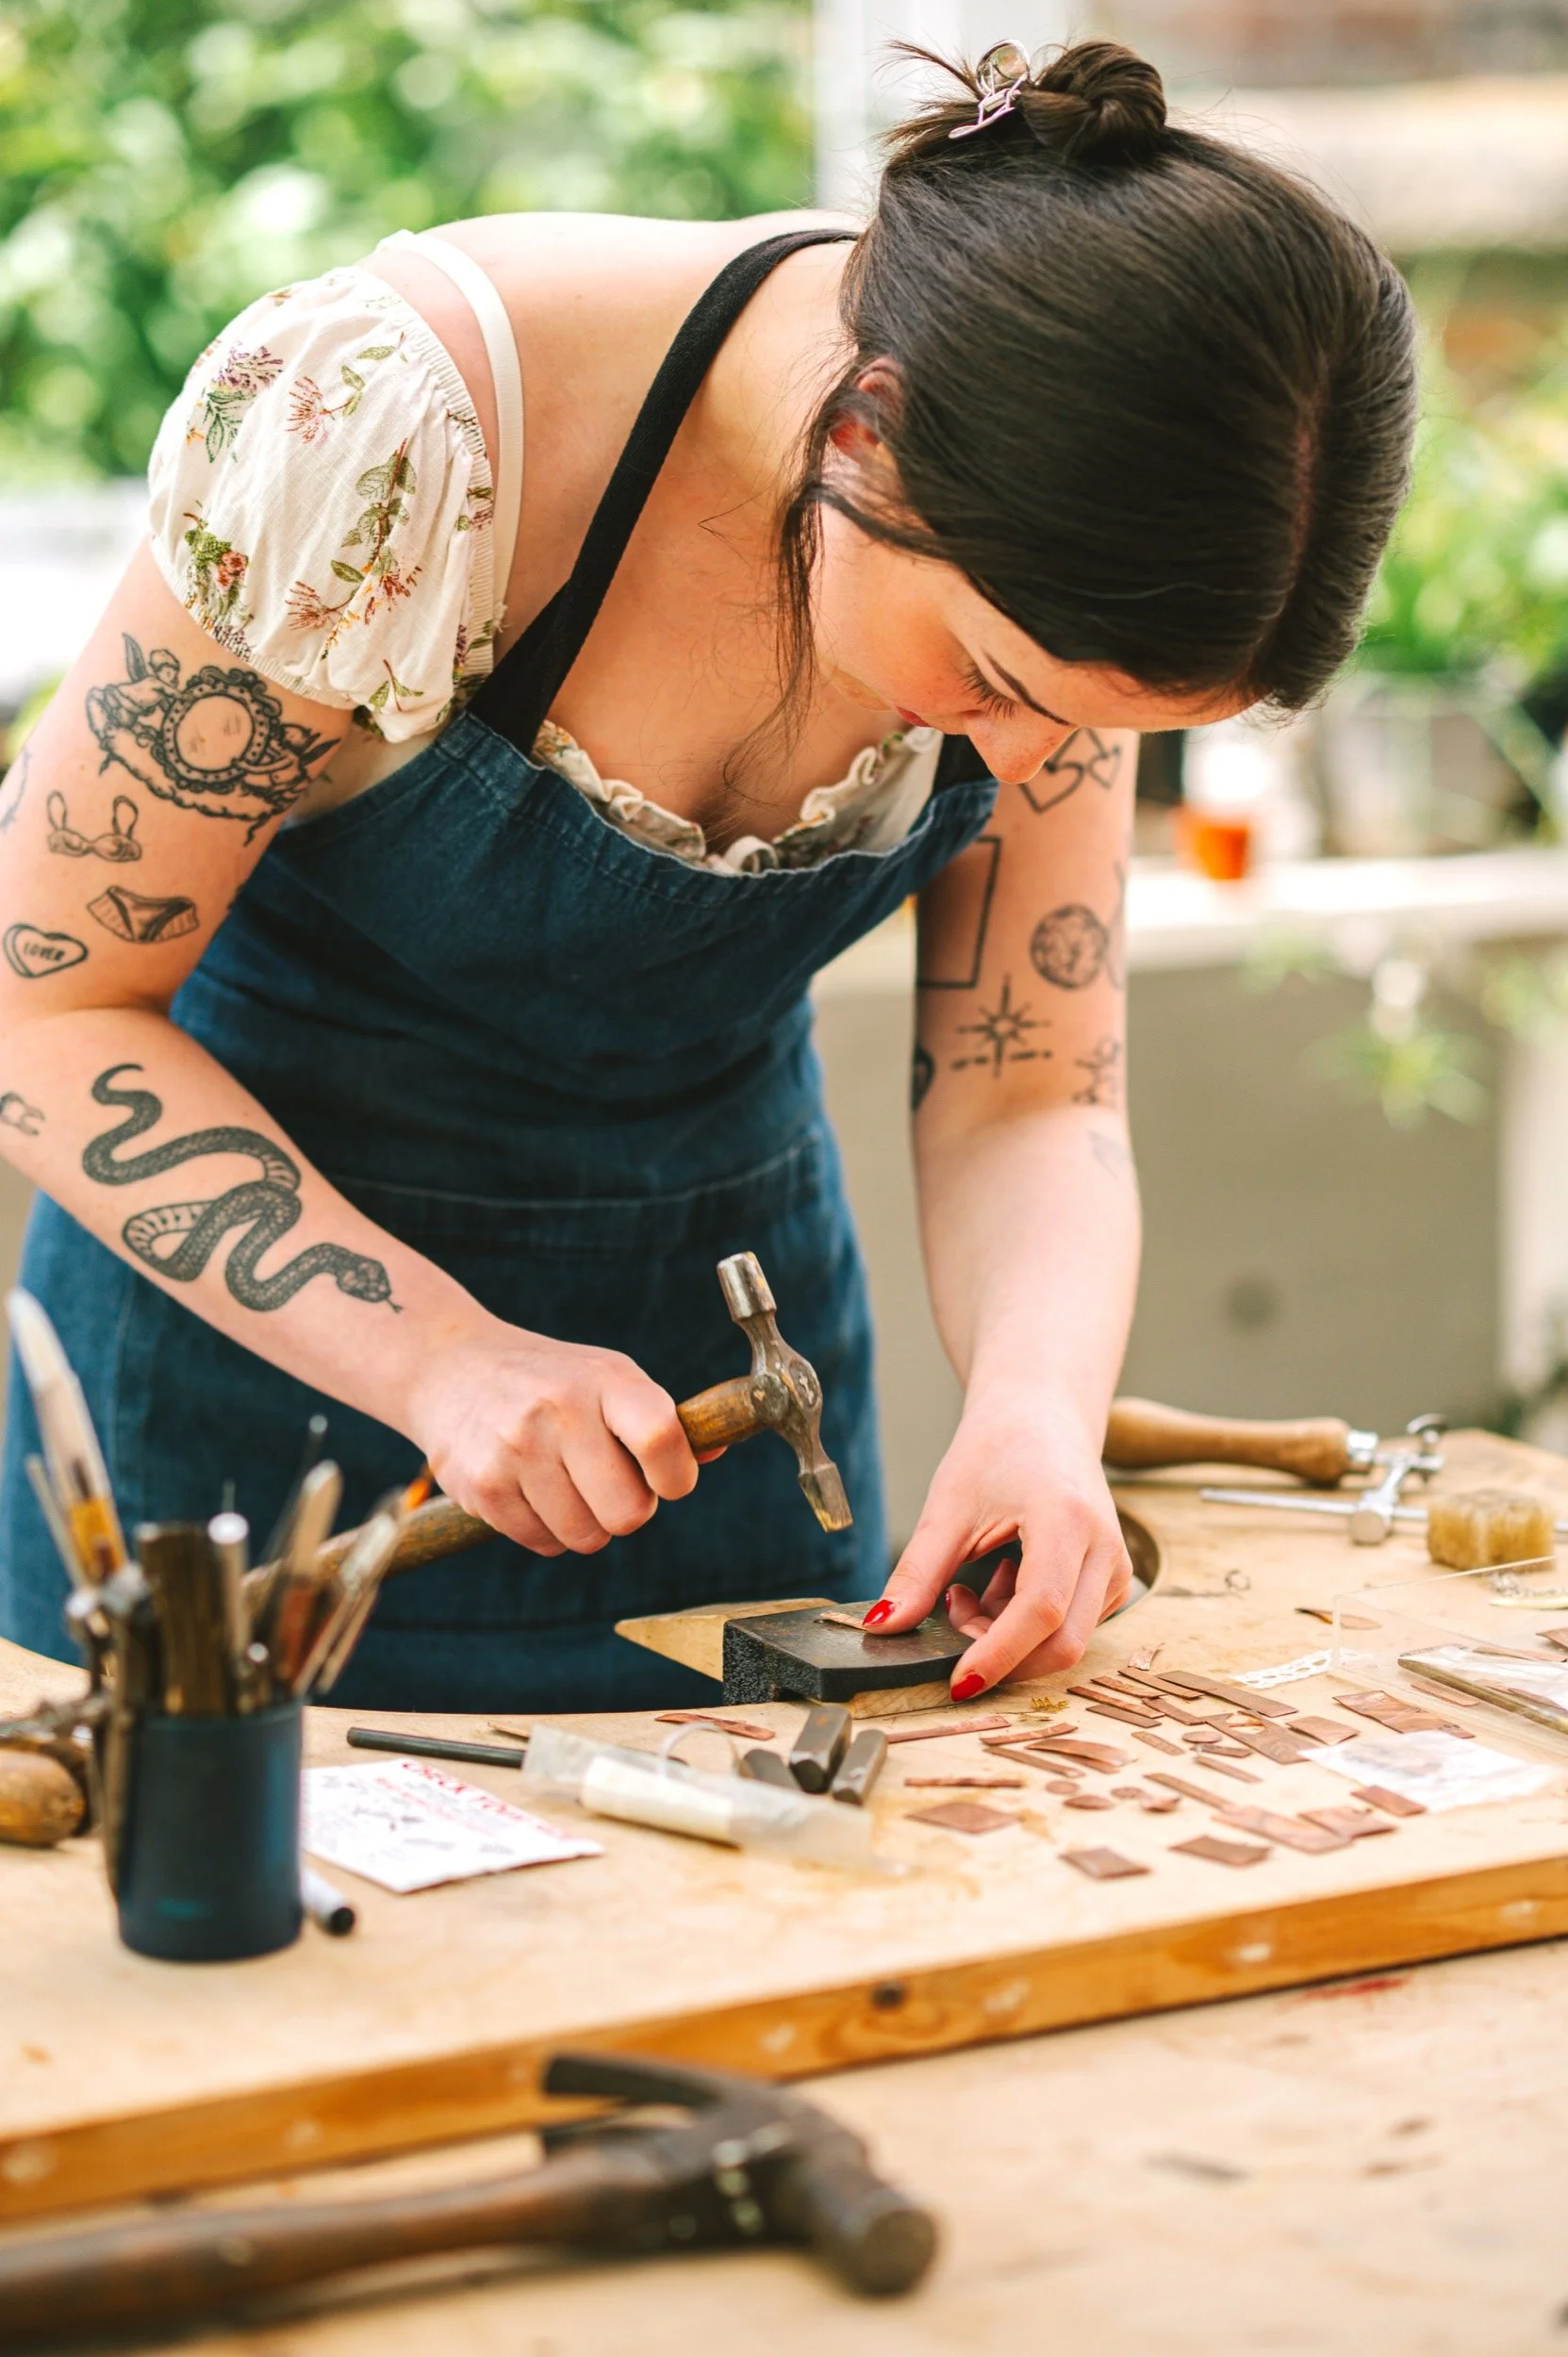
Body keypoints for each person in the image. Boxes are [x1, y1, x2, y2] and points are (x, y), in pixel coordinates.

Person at [0, 41, 1416, 1711]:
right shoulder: (397, 429)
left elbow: (1027, 1083)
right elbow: (48, 999)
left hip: (727, 1423)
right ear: (869, 436)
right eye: (1005, 686)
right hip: (256, 1445)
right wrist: (438, 1357)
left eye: (1092, 730)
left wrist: (1036, 1411)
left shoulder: (1070, 540)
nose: (1027, 768)